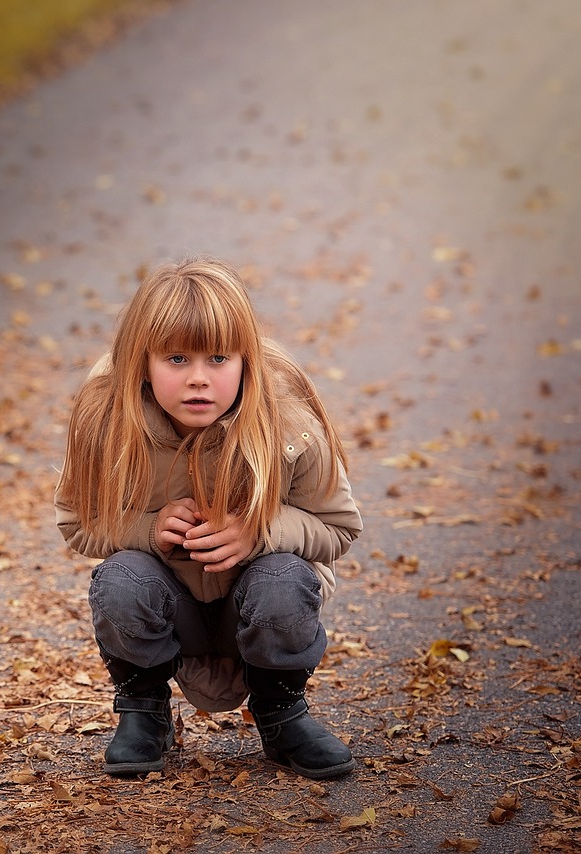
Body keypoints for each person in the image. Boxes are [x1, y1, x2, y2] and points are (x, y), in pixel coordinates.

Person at [54, 257, 362, 780]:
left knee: (286, 577)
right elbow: (77, 523)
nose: (199, 379)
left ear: (246, 359)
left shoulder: (287, 419)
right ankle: (143, 711)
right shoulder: (108, 421)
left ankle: (281, 711)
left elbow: (339, 527)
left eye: (219, 358)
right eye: (176, 358)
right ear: (141, 361)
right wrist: (146, 530)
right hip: (174, 608)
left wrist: (259, 530)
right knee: (120, 577)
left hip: (256, 602)